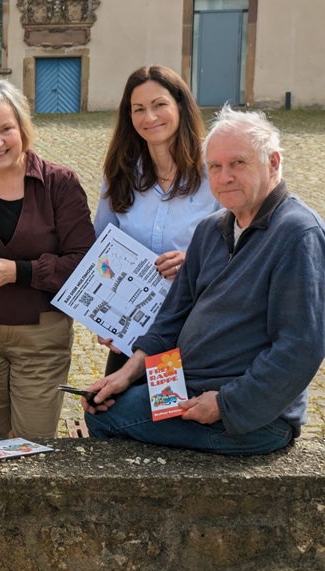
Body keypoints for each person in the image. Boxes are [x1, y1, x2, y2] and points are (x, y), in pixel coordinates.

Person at [83, 106, 325, 455]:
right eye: (215, 166)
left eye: (238, 163)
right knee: (104, 400)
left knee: (107, 418)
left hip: (253, 417)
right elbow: (171, 319)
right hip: (187, 387)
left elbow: (300, 348)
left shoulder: (297, 233)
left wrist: (226, 404)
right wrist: (127, 373)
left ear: (273, 163)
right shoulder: (211, 229)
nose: (224, 176)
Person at [0, 80, 96, 439]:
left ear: (22, 128)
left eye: (6, 129)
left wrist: (20, 272)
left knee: (33, 441)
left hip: (42, 333)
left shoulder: (60, 184)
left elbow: (84, 262)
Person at [94, 65, 220, 375]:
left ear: (180, 105)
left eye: (159, 105)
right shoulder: (120, 174)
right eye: (139, 109)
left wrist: (192, 260)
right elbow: (100, 250)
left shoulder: (215, 172)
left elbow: (241, 246)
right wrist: (103, 314)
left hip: (194, 330)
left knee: (172, 415)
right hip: (133, 329)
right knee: (111, 414)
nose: (149, 118)